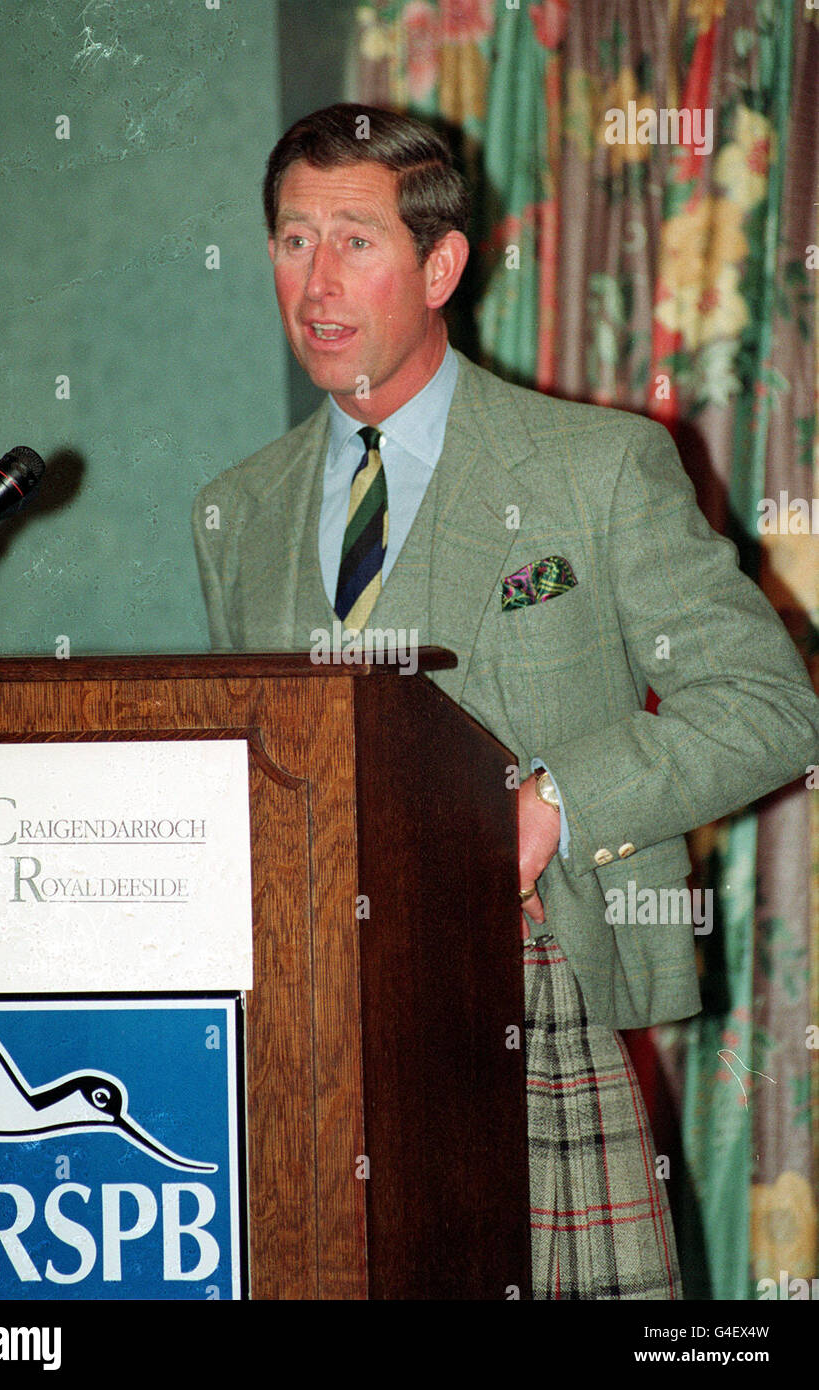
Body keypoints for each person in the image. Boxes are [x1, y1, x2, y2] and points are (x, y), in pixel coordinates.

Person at [192, 103, 819, 1299]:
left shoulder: (599, 466)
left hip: (532, 1008)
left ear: (441, 265)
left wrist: (553, 803)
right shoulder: (237, 510)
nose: (315, 281)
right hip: (306, 1046)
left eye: (354, 240)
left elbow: (770, 703)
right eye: (290, 239)